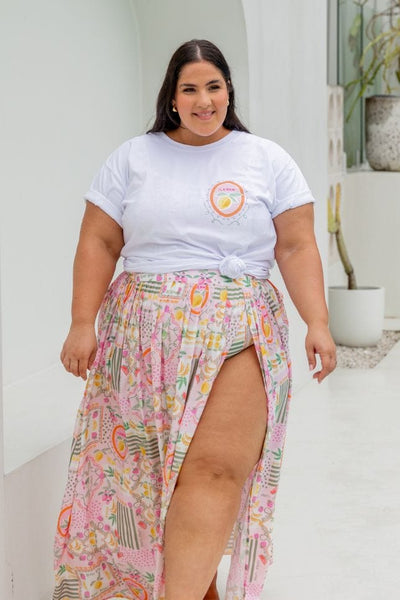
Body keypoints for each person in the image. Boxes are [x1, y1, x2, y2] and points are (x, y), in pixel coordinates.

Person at [53, 39, 336, 600]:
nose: (204, 99)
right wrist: (81, 323)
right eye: (190, 88)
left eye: (214, 86)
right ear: (172, 98)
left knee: (213, 471)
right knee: (152, 478)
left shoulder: (267, 159)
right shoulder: (133, 157)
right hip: (140, 333)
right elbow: (100, 240)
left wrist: (318, 323)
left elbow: (298, 247)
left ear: (229, 91)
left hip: (240, 328)